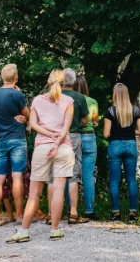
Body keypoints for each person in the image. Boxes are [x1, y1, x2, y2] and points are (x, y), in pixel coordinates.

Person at [6, 69, 75, 243]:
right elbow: (66, 128)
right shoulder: (68, 101)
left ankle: (24, 231)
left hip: (42, 148)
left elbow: (33, 124)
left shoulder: (37, 100)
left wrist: (49, 136)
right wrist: (57, 141)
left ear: (48, 81)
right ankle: (55, 229)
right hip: (63, 147)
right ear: (64, 83)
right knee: (58, 189)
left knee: (35, 192)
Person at [0, 64, 30, 227]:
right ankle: (19, 215)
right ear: (16, 78)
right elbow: (26, 114)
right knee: (17, 175)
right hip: (17, 139)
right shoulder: (17, 95)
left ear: (2, 77)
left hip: (1, 139)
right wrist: (24, 119)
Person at [104, 83, 140, 221]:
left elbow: (106, 134)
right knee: (131, 179)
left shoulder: (110, 111)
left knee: (115, 180)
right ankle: (133, 213)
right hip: (131, 145)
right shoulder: (135, 110)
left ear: (115, 94)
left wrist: (115, 132)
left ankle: (116, 213)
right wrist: (131, 131)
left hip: (115, 145)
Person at [61, 68, 90, 224]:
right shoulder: (79, 97)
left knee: (53, 176)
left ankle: (52, 213)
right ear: (73, 81)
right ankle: (73, 213)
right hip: (73, 136)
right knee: (73, 174)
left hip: (55, 136)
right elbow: (85, 121)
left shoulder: (53, 96)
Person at [75, 74, 99, 220]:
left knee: (72, 175)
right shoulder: (92, 101)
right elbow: (95, 121)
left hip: (75, 137)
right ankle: (90, 210)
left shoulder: (70, 100)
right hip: (89, 137)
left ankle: (71, 209)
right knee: (88, 176)